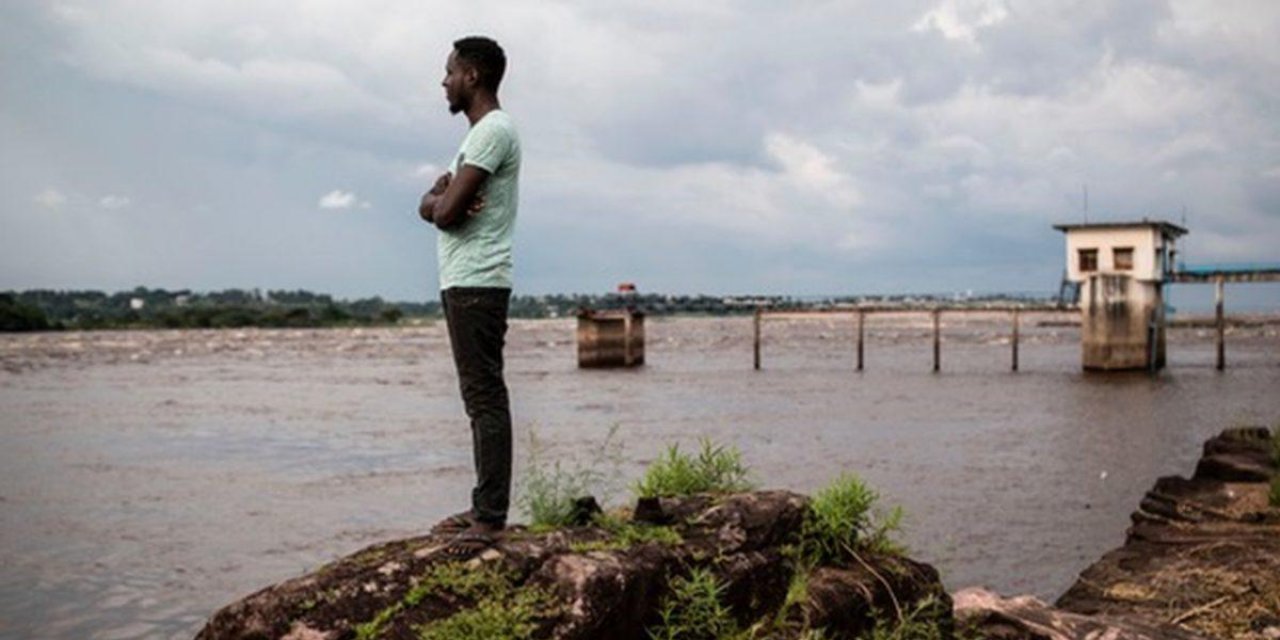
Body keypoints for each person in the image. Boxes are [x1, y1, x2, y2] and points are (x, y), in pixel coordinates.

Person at [417, 36, 520, 555]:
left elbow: (447, 212)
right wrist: (434, 201)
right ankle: (485, 506)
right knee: (477, 398)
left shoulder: (492, 133)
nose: (444, 82)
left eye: (450, 71)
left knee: (484, 397)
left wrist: (438, 200)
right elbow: (436, 207)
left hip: (478, 281)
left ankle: (490, 517)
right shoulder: (482, 135)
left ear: (473, 76)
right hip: (466, 280)